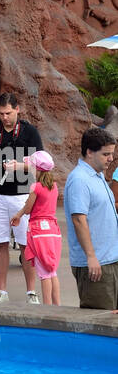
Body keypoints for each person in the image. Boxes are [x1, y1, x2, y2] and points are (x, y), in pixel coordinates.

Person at [0, 93, 41, 304]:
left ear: (18, 109)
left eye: (8, 113)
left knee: (26, 244)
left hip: (22, 193)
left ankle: (31, 292)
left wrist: (20, 166)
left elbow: (41, 164)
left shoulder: (29, 131)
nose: (5, 117)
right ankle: (1, 291)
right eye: (1, 114)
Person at [64, 127, 118, 310]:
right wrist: (91, 256)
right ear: (89, 152)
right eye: (106, 154)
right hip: (96, 266)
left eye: (112, 154)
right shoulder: (79, 179)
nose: (111, 159)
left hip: (110, 260)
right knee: (100, 322)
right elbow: (79, 219)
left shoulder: (98, 176)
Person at [10, 151, 62, 306]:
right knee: (52, 271)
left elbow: (28, 208)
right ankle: (57, 306)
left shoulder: (36, 187)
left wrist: (19, 214)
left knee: (44, 273)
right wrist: (18, 215)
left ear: (37, 169)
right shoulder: (54, 186)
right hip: (53, 230)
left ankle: (46, 308)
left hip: (39, 231)